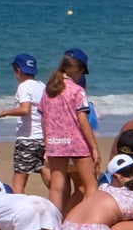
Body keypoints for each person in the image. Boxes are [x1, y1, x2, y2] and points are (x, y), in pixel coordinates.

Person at [38, 51, 99, 208]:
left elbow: (44, 120)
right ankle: (93, 220)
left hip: (55, 142)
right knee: (90, 185)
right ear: (78, 70)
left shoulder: (48, 90)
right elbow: (83, 121)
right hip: (76, 144)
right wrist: (94, 147)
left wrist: (47, 143)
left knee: (56, 188)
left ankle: (54, 226)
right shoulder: (77, 90)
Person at [0, 54, 49, 194]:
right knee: (42, 167)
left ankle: (17, 207)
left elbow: (25, 109)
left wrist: (5, 112)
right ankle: (60, 194)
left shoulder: (24, 86)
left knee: (19, 180)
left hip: (27, 138)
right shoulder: (42, 86)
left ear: (18, 70)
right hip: (42, 137)